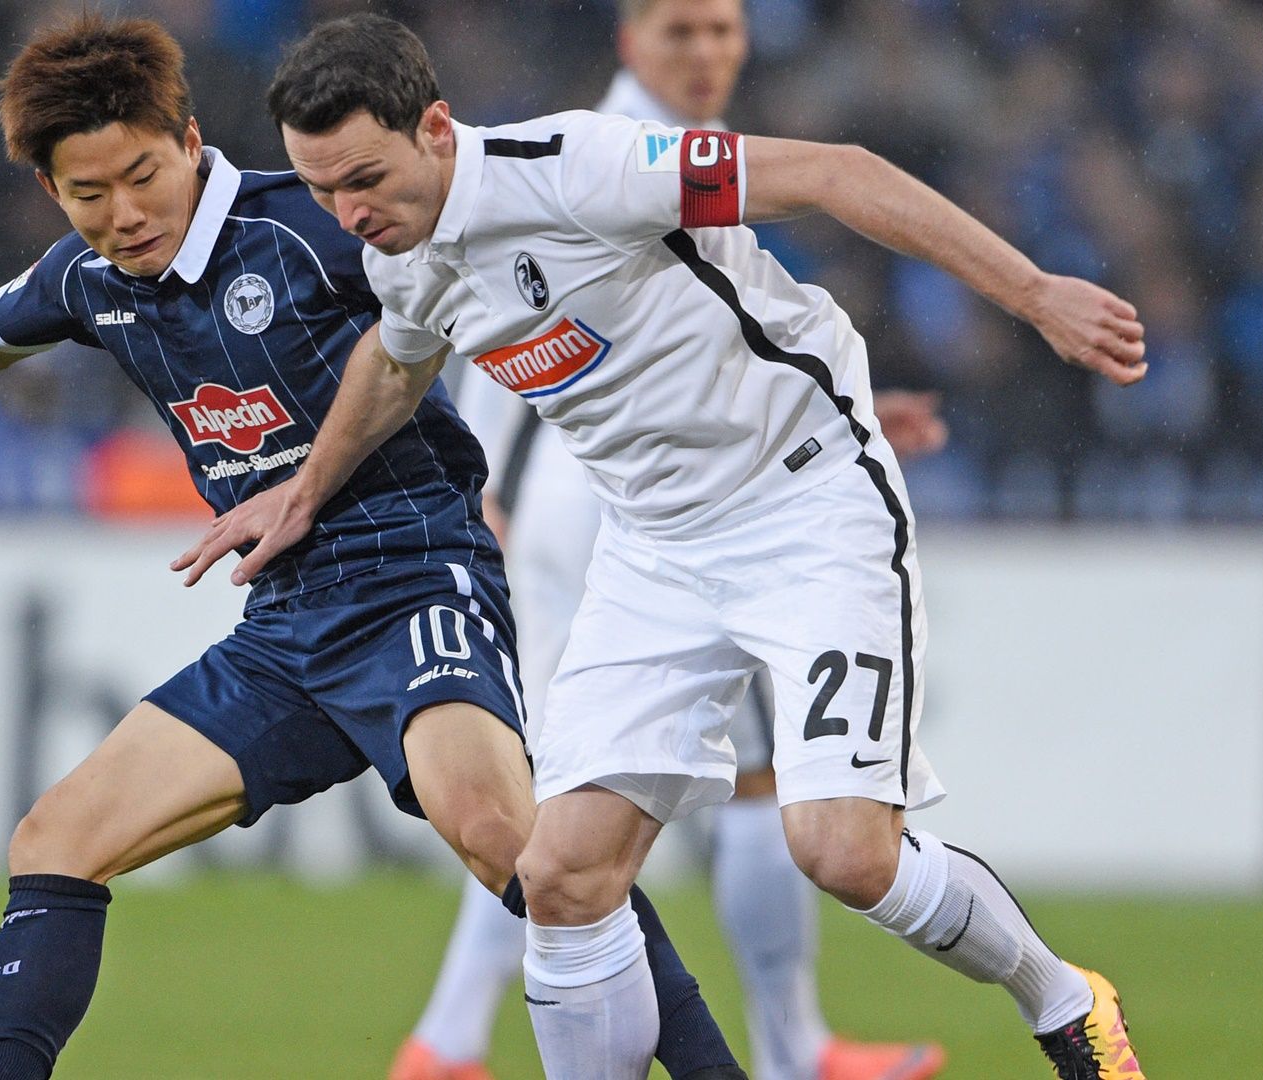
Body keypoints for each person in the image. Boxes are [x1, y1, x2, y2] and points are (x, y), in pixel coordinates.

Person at [0, 15, 750, 1080]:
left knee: (513, 844)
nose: (122, 214)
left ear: (191, 139)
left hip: (413, 575)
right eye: (88, 194)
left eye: (142, 175)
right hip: (286, 626)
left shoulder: (309, 223)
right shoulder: (89, 278)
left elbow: (465, 276)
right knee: (56, 840)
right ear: (50, 194)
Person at [188, 13, 1150, 1080]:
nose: (349, 213)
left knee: (840, 848)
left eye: (363, 177)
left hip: (806, 504)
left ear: (438, 128)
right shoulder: (407, 255)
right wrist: (307, 489)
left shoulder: (585, 171)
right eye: (321, 191)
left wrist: (1034, 294)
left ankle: (1065, 1001)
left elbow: (834, 172)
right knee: (561, 875)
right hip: (652, 549)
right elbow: (398, 357)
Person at [393, 3, 947, 1078]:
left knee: (617, 796)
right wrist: (481, 487)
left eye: (724, 30)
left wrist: (847, 408)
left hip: (652, 494)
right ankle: (780, 1049)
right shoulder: (602, 147)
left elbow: (702, 326)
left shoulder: (675, 154)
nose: (708, 53)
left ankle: (455, 1040)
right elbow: (493, 315)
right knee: (626, 803)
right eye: (681, 31)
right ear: (627, 41)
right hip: (623, 510)